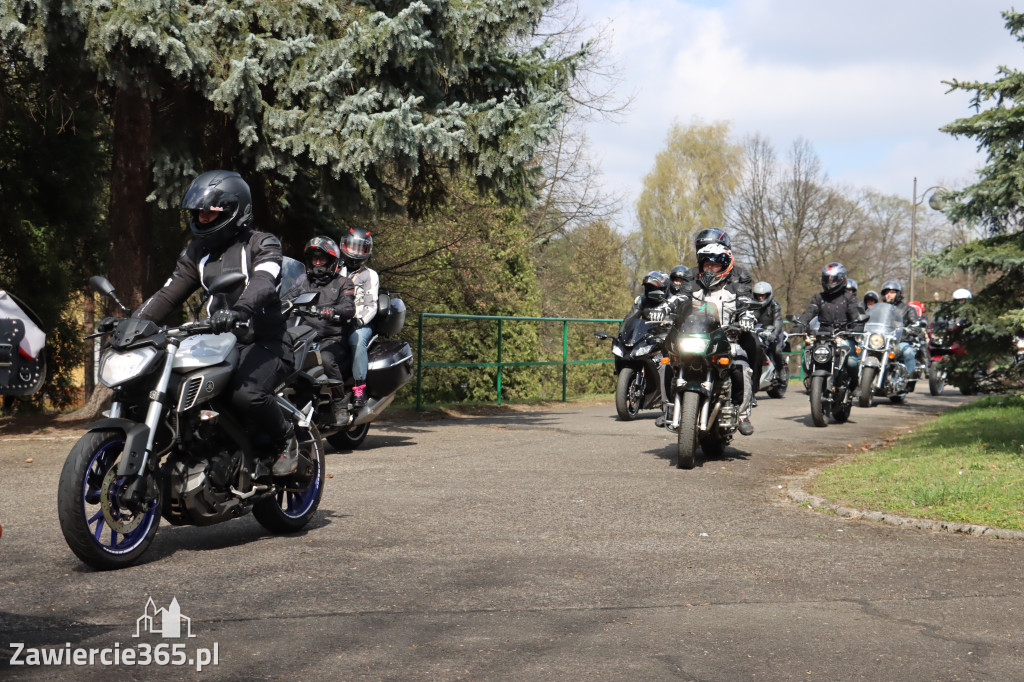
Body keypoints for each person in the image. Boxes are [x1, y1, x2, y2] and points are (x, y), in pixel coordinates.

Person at [133, 170, 298, 477]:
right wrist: (133, 324)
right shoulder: (197, 252)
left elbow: (263, 281)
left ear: (235, 210)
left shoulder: (262, 244)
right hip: (216, 342)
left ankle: (285, 439)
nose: (201, 217)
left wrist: (241, 310)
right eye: (198, 212)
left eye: (209, 212)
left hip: (264, 340)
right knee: (171, 388)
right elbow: (169, 293)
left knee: (245, 394)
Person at [675, 242, 757, 435]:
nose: (710, 268)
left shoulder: (735, 287)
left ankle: (742, 414)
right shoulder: (693, 286)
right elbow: (678, 300)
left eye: (715, 264)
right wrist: (663, 310)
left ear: (724, 265)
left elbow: (746, 304)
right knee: (666, 360)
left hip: (726, 339)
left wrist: (746, 318)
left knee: (741, 366)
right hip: (695, 337)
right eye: (706, 264)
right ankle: (667, 405)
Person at [283, 237, 356, 424]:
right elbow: (288, 296)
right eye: (314, 259)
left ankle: (339, 402)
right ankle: (297, 403)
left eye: (321, 259)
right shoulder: (304, 281)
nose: (317, 263)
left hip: (333, 338)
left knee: (326, 359)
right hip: (306, 336)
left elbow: (349, 308)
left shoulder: (343, 283)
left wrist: (333, 310)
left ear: (331, 261)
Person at [796, 262, 861, 391]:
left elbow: (856, 316)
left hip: (843, 335)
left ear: (842, 279)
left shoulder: (849, 298)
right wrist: (800, 324)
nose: (830, 282)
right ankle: (812, 381)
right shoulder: (819, 298)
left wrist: (857, 328)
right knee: (808, 357)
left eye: (833, 279)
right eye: (827, 279)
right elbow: (810, 312)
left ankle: (854, 385)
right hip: (823, 336)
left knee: (852, 361)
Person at [339, 226, 380, 408]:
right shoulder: (335, 270)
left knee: (356, 341)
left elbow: (372, 305)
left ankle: (359, 387)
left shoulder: (370, 275)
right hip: (336, 319)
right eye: (352, 246)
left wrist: (359, 320)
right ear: (344, 246)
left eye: (360, 248)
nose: (355, 252)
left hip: (360, 323)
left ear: (367, 251)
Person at [879, 280, 921, 377]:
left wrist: (913, 328)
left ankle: (909, 377)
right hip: (882, 342)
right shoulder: (881, 308)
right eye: (886, 293)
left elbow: (915, 324)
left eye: (892, 292)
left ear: (899, 294)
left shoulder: (908, 309)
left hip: (899, 342)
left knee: (908, 351)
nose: (889, 295)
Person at [752, 281, 784, 385]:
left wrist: (774, 333)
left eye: (763, 295)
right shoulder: (752, 305)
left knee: (777, 350)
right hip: (757, 330)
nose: (760, 298)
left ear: (769, 295)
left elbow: (778, 320)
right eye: (758, 296)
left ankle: (781, 370)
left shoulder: (774, 305)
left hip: (773, 330)